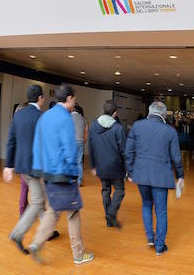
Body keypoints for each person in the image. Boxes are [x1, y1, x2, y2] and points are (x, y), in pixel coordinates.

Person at [28, 85, 94, 265]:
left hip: (45, 173)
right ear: (70, 98)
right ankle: (78, 254)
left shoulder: (45, 116)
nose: (74, 103)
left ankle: (36, 243)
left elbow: (37, 144)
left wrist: (39, 169)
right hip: (62, 173)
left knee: (53, 210)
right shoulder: (65, 118)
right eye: (74, 100)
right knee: (73, 213)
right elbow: (69, 149)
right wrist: (74, 174)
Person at [4, 86, 60, 254]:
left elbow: (11, 141)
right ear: (40, 98)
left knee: (40, 200)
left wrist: (8, 165)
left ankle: (46, 232)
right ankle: (17, 233)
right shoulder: (41, 117)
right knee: (38, 202)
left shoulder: (18, 115)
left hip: (22, 168)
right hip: (37, 168)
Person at [125, 101, 184, 256]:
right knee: (161, 211)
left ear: (149, 112)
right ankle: (160, 246)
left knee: (146, 204)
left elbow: (128, 151)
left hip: (141, 174)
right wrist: (180, 176)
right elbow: (176, 157)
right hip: (161, 176)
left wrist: (130, 172)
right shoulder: (170, 131)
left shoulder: (137, 126)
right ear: (164, 115)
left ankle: (150, 237)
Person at [88, 100, 127, 228]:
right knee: (120, 191)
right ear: (114, 113)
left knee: (105, 191)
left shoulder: (94, 125)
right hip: (116, 165)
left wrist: (93, 165)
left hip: (101, 165)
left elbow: (91, 146)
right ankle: (110, 213)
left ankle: (109, 220)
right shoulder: (118, 128)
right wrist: (127, 167)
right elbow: (123, 150)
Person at [71, 104, 87, 187]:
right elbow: (85, 133)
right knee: (79, 162)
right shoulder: (84, 119)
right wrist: (84, 142)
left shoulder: (69, 117)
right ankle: (79, 181)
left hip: (71, 142)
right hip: (81, 142)